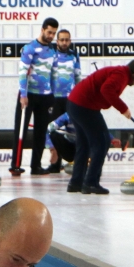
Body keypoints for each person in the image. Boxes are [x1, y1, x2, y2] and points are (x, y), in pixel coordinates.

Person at [66, 55, 134, 195]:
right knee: (102, 142)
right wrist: (123, 108)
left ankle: (76, 182)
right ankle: (90, 183)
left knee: (84, 144)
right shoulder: (121, 75)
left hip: (74, 104)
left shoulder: (121, 73)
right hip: (84, 106)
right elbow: (106, 90)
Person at [9, 18, 58, 176]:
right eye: (49, 32)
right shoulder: (30, 48)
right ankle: (15, 165)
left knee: (41, 131)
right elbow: (22, 72)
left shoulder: (53, 50)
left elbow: (54, 72)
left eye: (54, 33)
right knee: (21, 129)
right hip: (28, 95)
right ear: (43, 29)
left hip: (45, 96)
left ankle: (36, 166)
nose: (51, 35)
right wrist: (23, 94)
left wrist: (54, 94)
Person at [47, 29, 81, 173]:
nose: (64, 42)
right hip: (54, 98)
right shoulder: (51, 55)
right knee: (53, 129)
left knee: (72, 129)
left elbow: (78, 76)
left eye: (67, 40)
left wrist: (80, 95)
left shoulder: (74, 55)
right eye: (62, 40)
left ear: (70, 41)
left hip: (70, 98)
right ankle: (55, 163)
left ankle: (77, 160)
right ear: (57, 41)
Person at [45, 112, 121, 171]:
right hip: (70, 150)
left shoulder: (91, 117)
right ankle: (55, 164)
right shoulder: (66, 116)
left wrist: (112, 139)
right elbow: (47, 129)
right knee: (54, 135)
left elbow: (102, 130)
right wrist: (52, 148)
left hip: (85, 147)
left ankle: (92, 164)